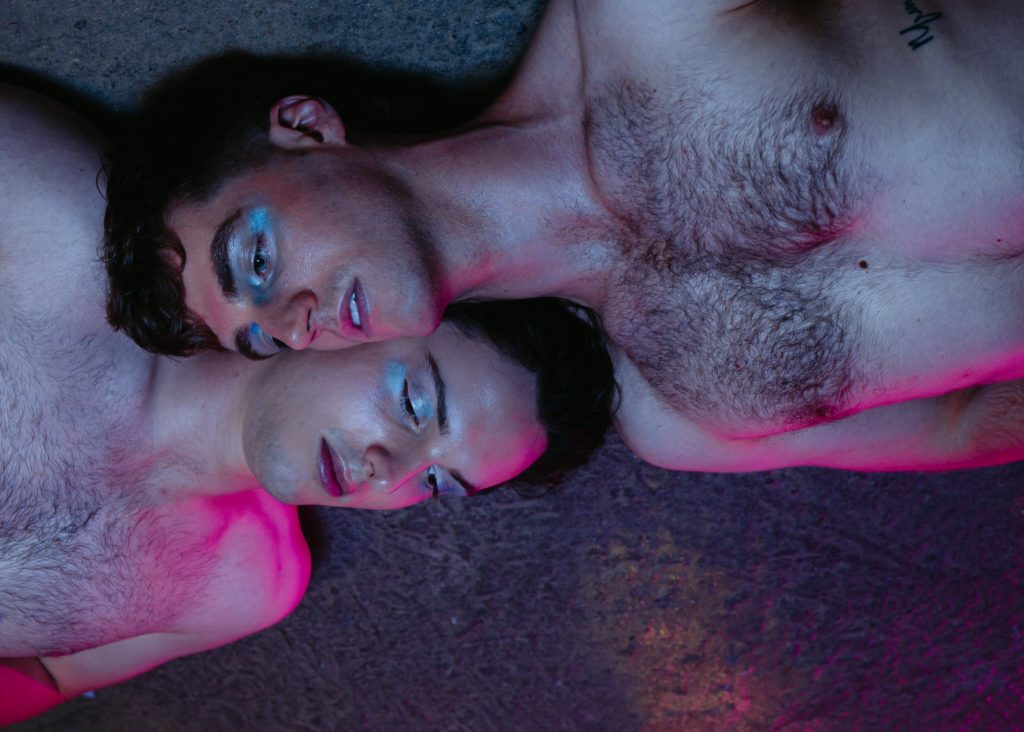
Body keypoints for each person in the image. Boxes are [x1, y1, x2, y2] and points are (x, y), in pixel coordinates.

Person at [104, 0, 1024, 473]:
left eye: (257, 262)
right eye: (266, 340)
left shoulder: (640, 21)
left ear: (307, 127)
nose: (293, 323)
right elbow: (960, 427)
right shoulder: (678, 416)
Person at [0, 84, 616, 724]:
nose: (389, 472)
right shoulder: (59, 229)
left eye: (435, 482)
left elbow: (45, 677)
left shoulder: (247, 587)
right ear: (365, 315)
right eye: (413, 404)